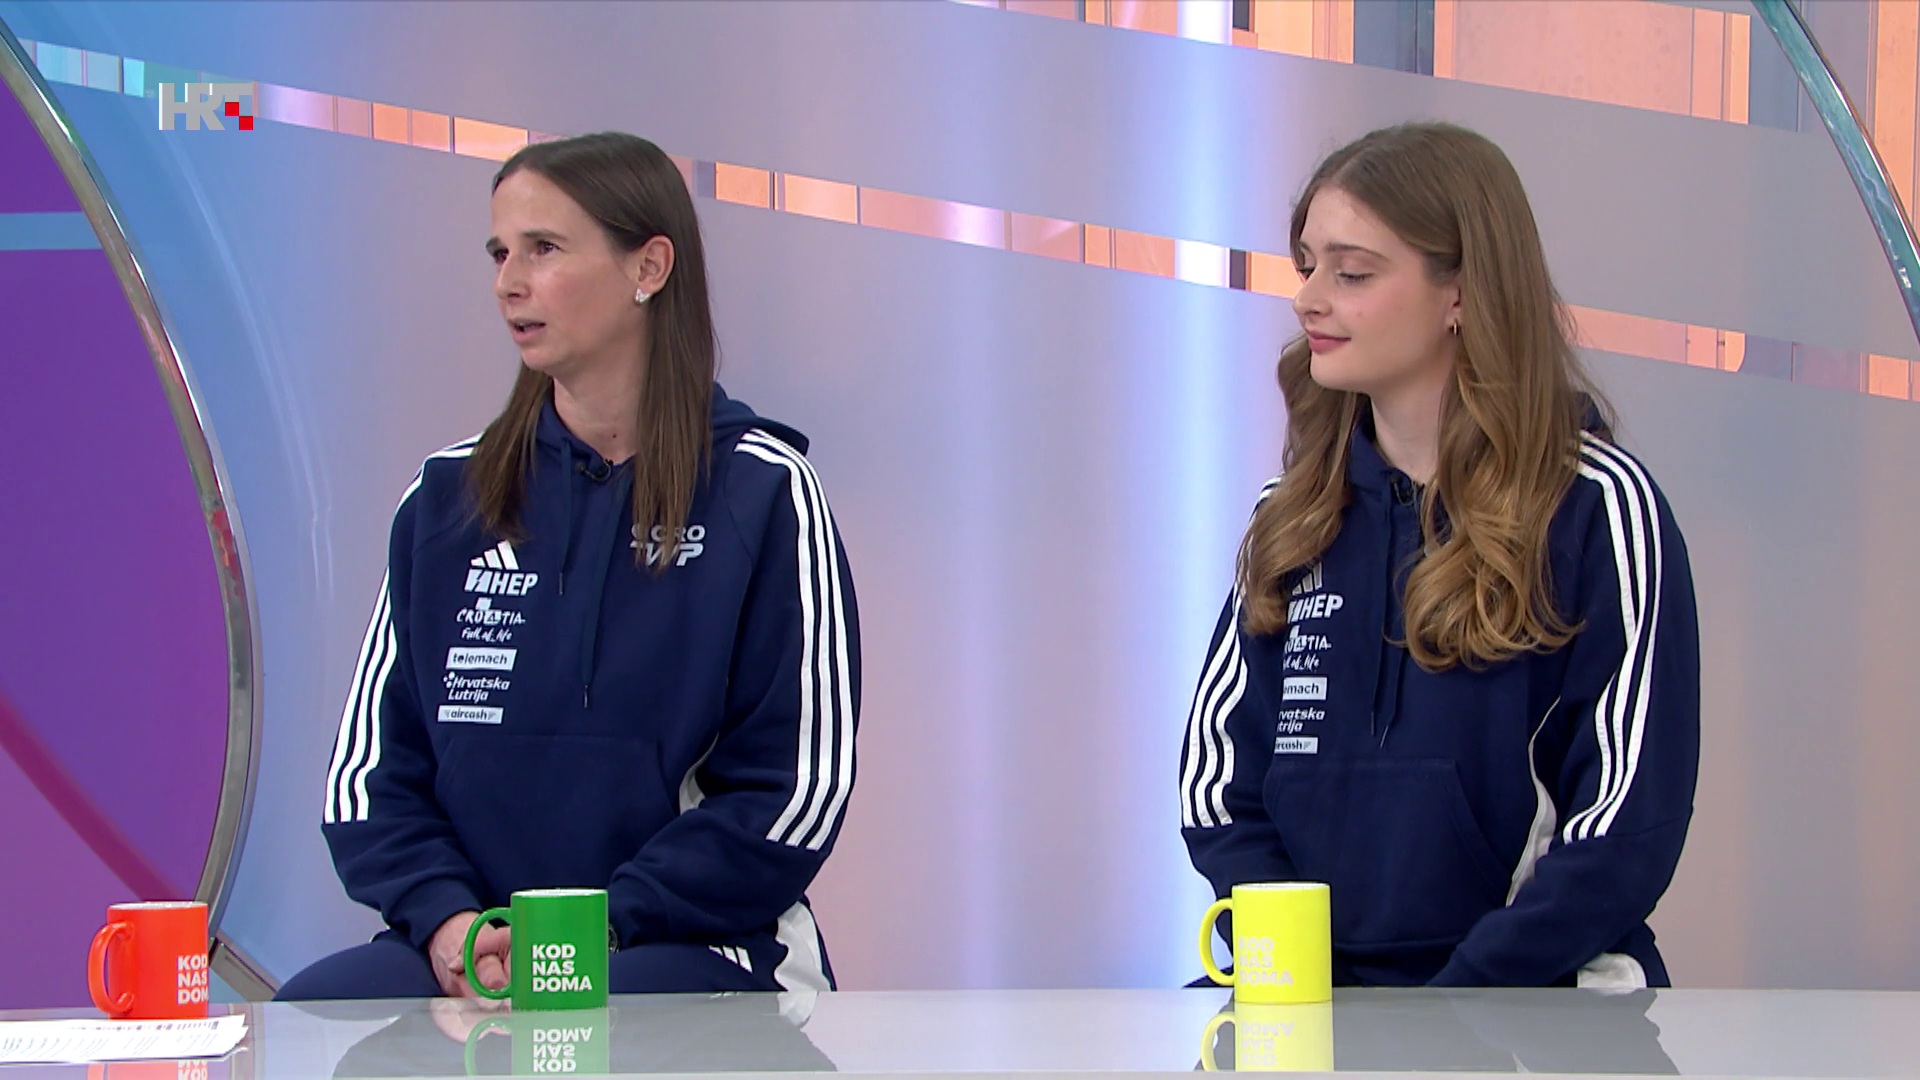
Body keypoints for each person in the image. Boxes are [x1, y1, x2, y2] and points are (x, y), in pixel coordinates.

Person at [278, 131, 860, 1000]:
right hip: (474, 945)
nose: (508, 282)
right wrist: (449, 924)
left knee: (583, 1038)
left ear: (648, 267)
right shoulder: (444, 501)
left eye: (544, 249)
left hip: (689, 942)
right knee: (308, 1018)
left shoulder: (764, 492)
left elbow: (794, 790)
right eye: (499, 253)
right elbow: (370, 783)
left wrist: (596, 929)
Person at [1179, 122, 1699, 988]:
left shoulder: (1597, 507)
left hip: (1532, 998)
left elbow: (1625, 830)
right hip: (1316, 993)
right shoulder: (1289, 516)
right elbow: (1219, 784)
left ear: (1459, 293)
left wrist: (1455, 1012)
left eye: (1351, 273)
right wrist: (1300, 978)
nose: (1309, 300)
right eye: (1307, 266)